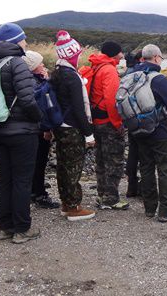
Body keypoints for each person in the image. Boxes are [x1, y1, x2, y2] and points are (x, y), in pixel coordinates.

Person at [0, 23, 43, 243]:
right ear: (15, 41)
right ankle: (22, 229)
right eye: (23, 39)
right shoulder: (17, 64)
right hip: (22, 131)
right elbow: (27, 99)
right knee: (22, 180)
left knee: (6, 179)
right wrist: (38, 117)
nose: (26, 42)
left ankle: (5, 226)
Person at [129, 44, 167, 222]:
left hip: (138, 129)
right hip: (160, 131)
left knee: (146, 167)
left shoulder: (131, 76)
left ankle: (150, 208)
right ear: (157, 58)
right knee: (165, 169)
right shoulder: (159, 79)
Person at [50, 30, 96, 221]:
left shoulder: (57, 72)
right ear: (72, 55)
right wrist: (88, 133)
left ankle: (66, 202)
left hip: (60, 125)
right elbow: (78, 107)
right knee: (73, 168)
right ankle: (73, 207)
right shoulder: (72, 77)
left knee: (63, 165)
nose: (79, 57)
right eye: (77, 55)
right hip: (72, 127)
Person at [86, 41, 129, 210]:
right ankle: (111, 198)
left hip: (96, 121)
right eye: (120, 53)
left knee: (101, 159)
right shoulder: (109, 70)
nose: (122, 56)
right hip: (108, 122)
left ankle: (102, 194)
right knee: (114, 160)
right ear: (114, 54)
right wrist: (118, 123)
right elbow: (112, 100)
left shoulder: (96, 66)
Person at [21, 50, 60, 209]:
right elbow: (42, 105)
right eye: (40, 63)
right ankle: (38, 194)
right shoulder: (34, 82)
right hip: (37, 129)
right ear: (32, 67)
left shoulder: (28, 80)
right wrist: (47, 128)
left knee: (35, 162)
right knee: (39, 162)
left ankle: (34, 191)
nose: (43, 65)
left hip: (30, 128)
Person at [124, 51, 142, 198]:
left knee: (132, 153)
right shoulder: (141, 73)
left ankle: (131, 186)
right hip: (142, 118)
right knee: (144, 155)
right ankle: (142, 187)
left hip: (130, 118)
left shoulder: (127, 73)